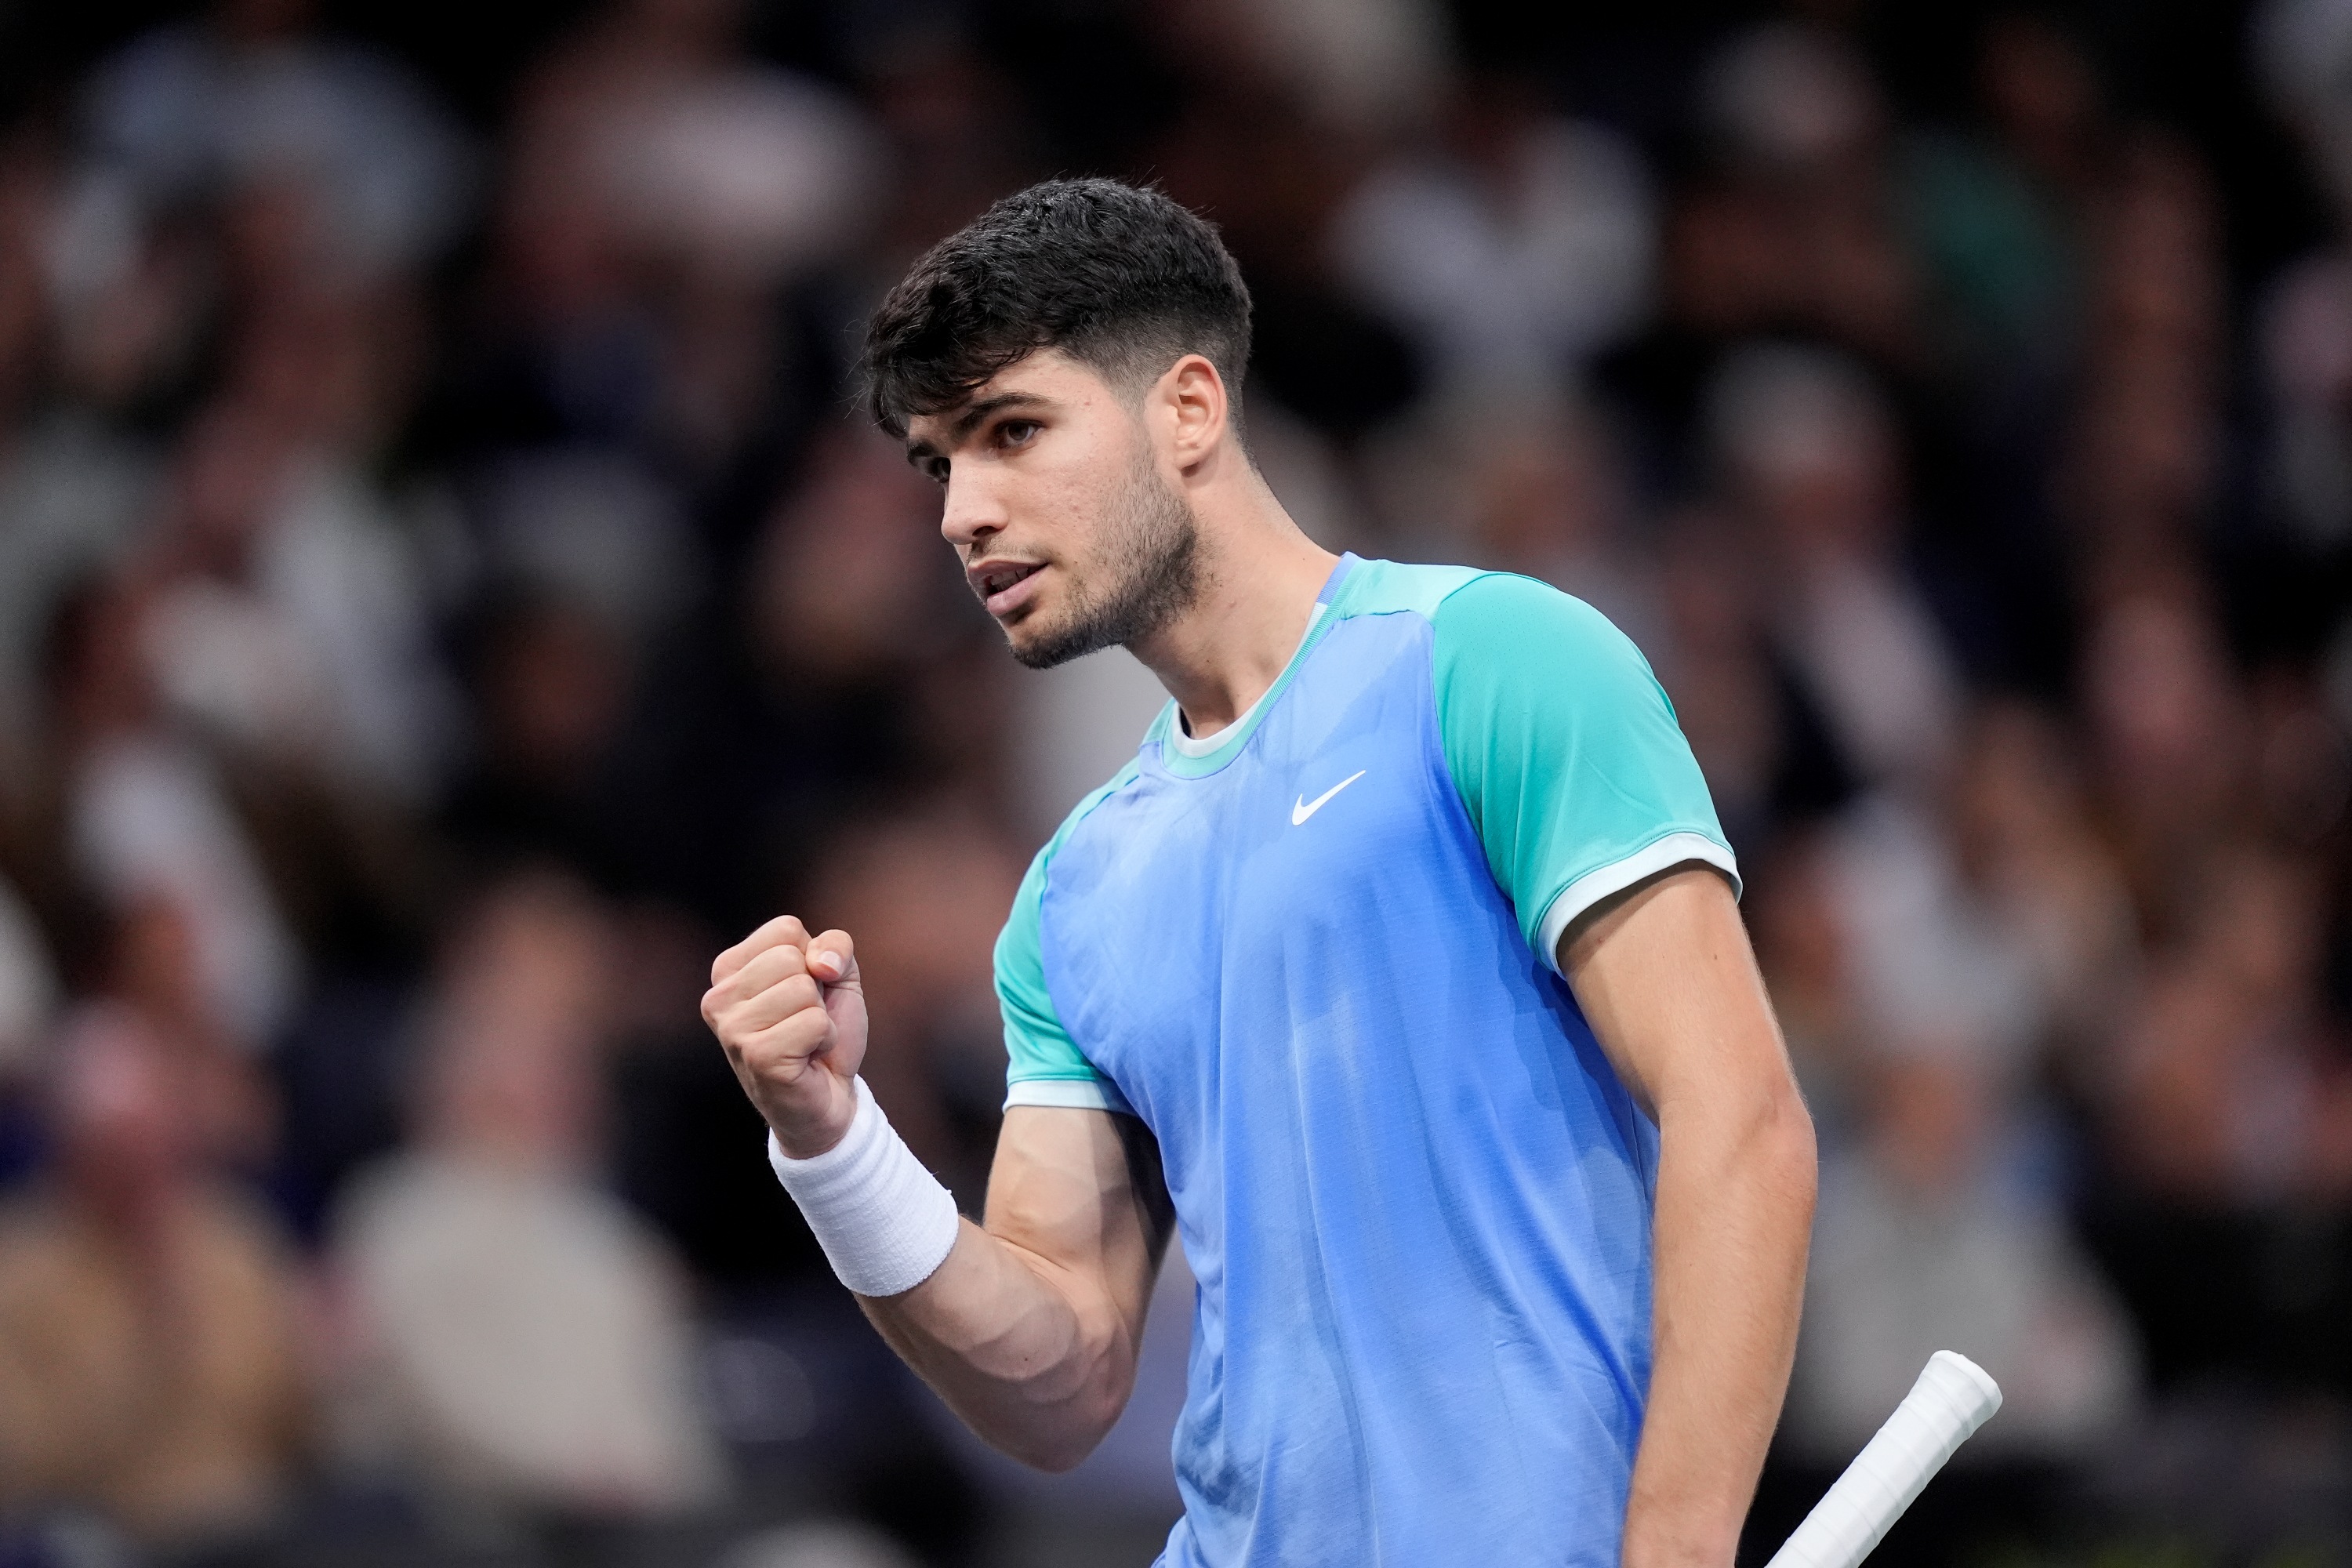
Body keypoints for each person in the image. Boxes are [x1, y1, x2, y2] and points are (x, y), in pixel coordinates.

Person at [701, 179, 1817, 1568]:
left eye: (1012, 432)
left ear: (1187, 408)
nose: (962, 513)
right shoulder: (1069, 894)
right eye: (942, 464)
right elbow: (1060, 1384)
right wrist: (830, 1140)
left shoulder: (1495, 662)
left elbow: (1741, 1120)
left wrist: (1675, 1554)